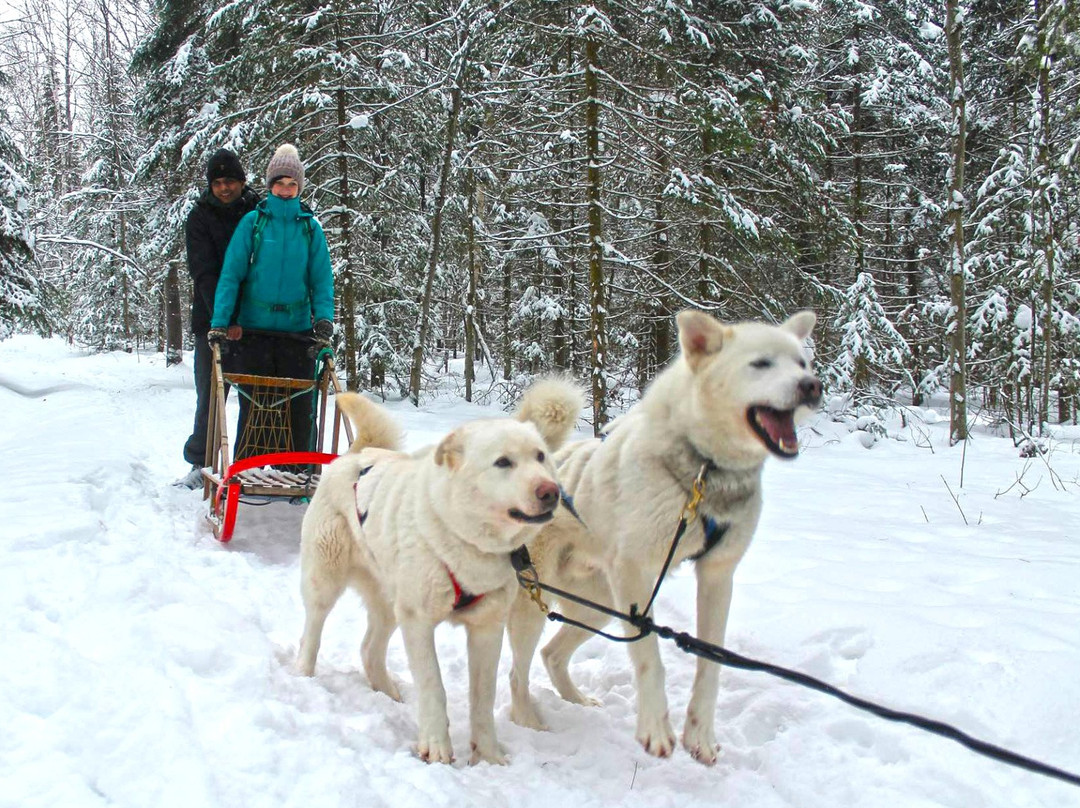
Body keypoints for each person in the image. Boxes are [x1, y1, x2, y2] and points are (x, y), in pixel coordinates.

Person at [207, 143, 335, 463]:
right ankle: (247, 474)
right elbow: (231, 274)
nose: (286, 190)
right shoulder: (253, 223)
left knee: (299, 407)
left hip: (297, 331)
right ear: (270, 185)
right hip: (255, 330)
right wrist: (220, 321)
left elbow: (321, 280)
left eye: (293, 184)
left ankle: (299, 473)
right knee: (255, 406)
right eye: (280, 182)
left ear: (300, 187)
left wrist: (323, 320)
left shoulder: (310, 227)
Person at [175, 148, 260, 489]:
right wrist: (224, 319)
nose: (224, 189)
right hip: (211, 321)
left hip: (255, 322)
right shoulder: (199, 217)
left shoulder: (257, 212)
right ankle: (202, 463)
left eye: (230, 182)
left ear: (242, 181)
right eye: (218, 183)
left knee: (254, 396)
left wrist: (245, 316)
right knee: (210, 396)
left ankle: (249, 463)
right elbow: (204, 272)